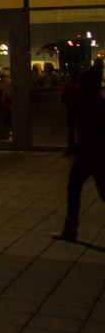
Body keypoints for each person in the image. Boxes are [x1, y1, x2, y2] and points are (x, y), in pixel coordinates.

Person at [54, 62, 105, 242]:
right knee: (77, 187)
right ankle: (70, 228)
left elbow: (90, 131)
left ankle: (70, 228)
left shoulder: (88, 104)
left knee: (74, 187)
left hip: (90, 154)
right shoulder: (97, 103)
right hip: (95, 154)